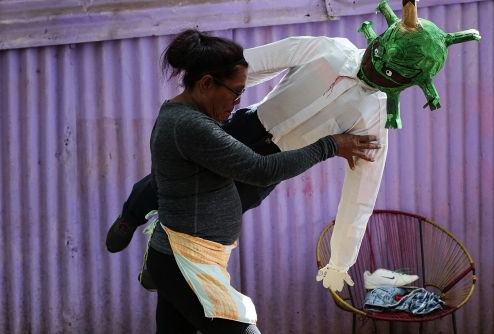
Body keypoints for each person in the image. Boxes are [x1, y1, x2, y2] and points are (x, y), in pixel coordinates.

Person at [144, 29, 379, 334]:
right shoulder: (191, 126)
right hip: (185, 262)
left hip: (185, 257)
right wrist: (329, 145)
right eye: (235, 92)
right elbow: (261, 169)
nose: (238, 102)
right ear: (205, 84)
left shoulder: (183, 116)